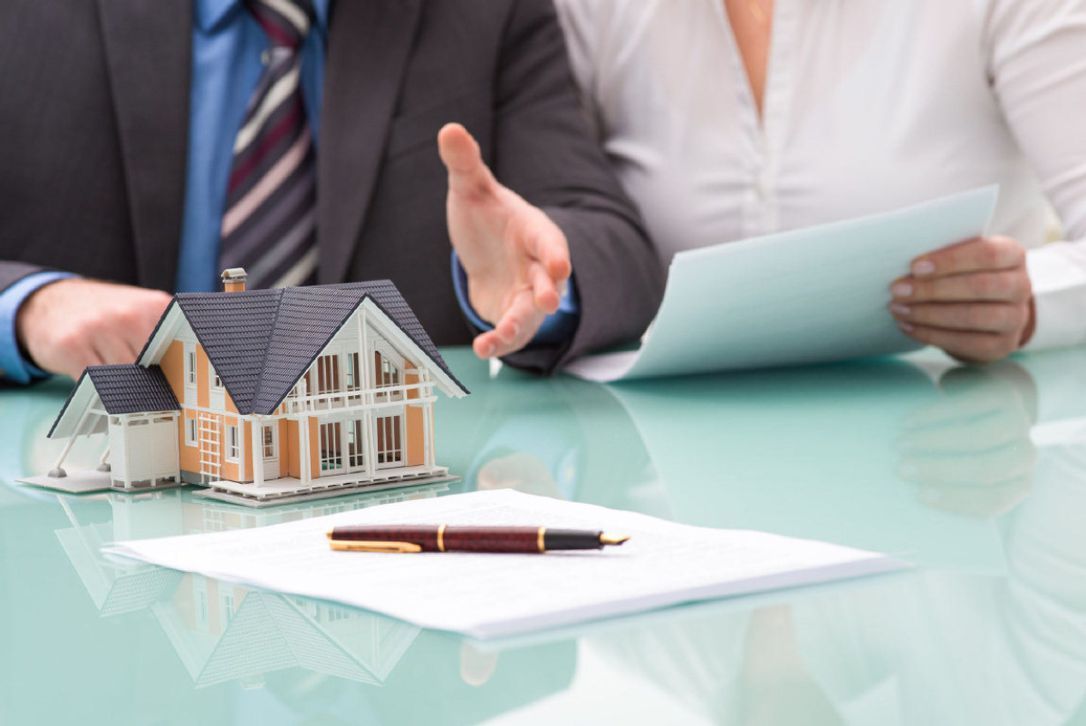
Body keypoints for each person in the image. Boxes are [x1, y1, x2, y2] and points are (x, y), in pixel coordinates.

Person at [0, 0, 663, 384]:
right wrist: (29, 307)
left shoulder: (483, 13)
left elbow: (615, 248)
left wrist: (537, 282)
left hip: (381, 508)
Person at [554, 0, 1086, 364]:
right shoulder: (596, 11)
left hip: (946, 449)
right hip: (661, 458)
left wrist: (1022, 302)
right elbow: (562, 220)